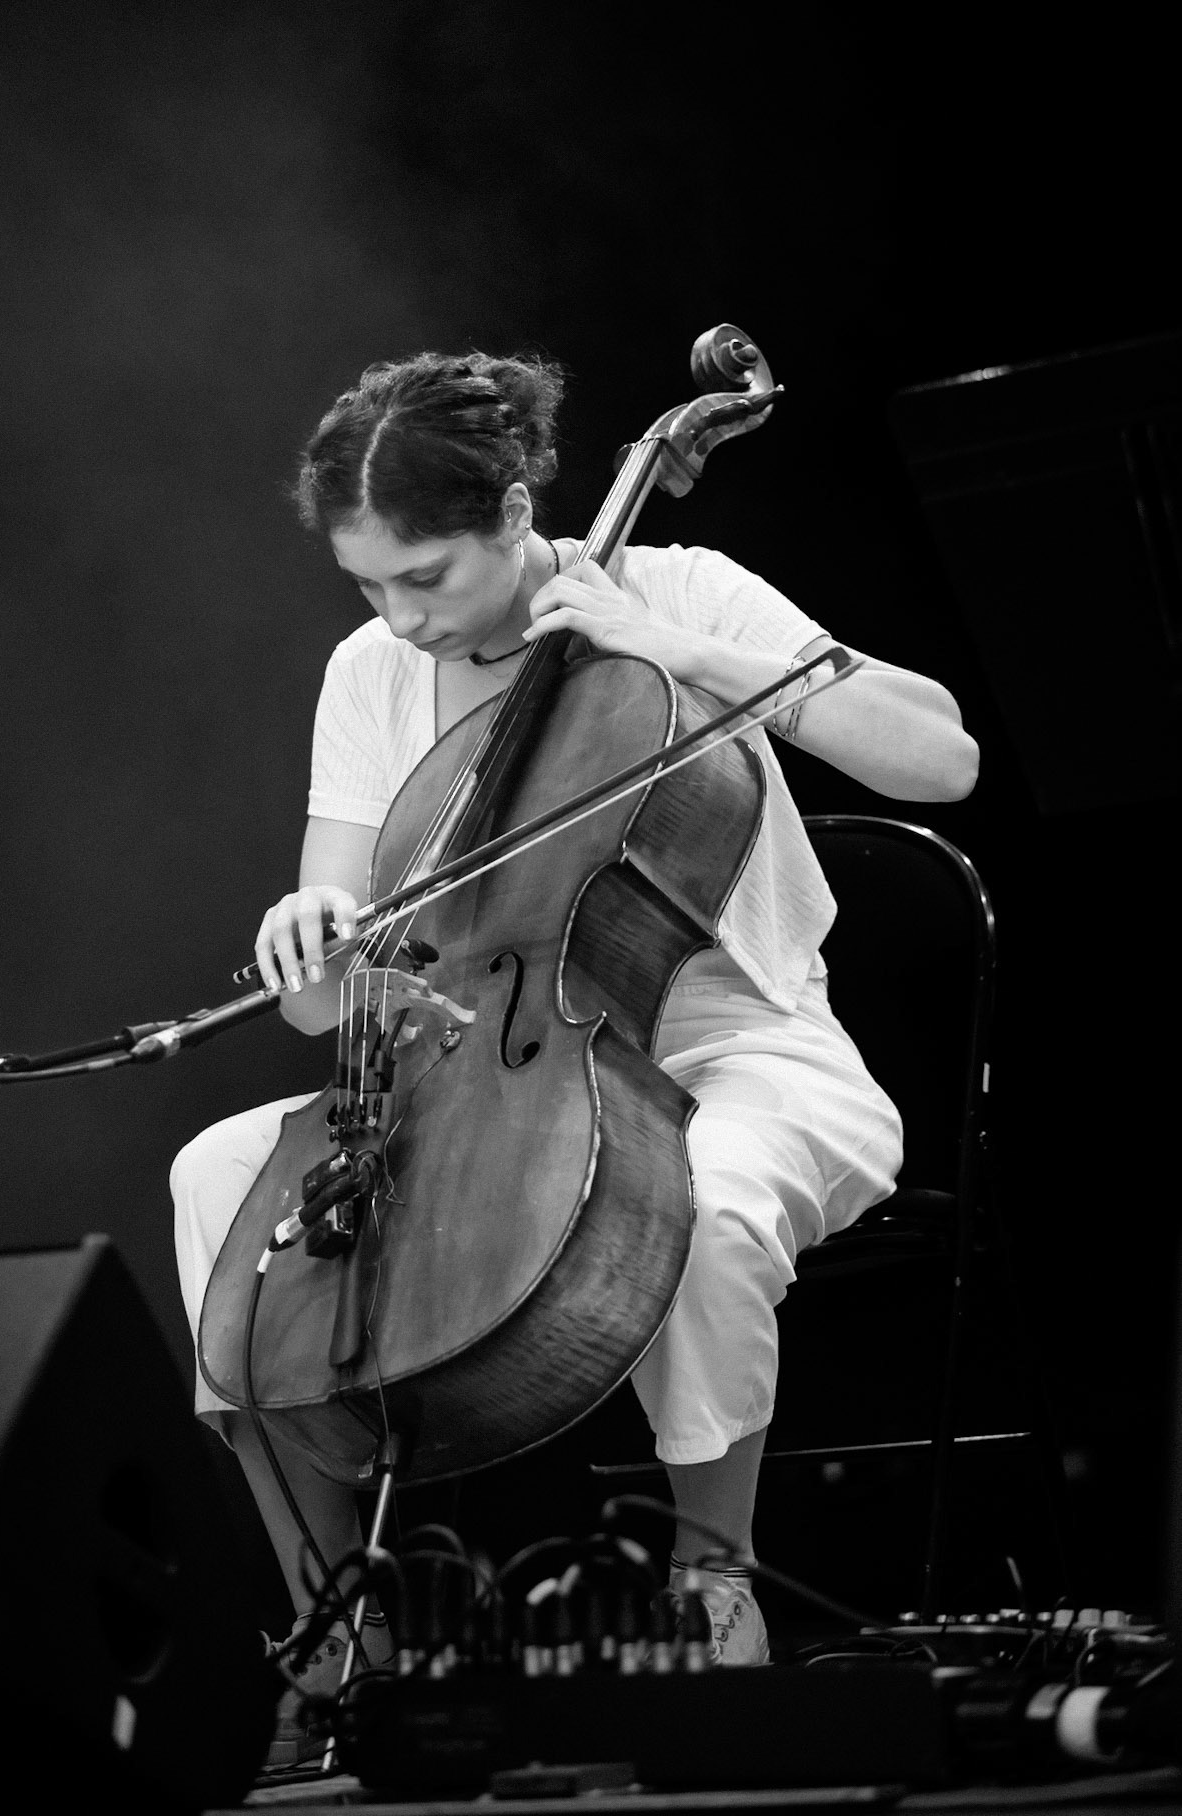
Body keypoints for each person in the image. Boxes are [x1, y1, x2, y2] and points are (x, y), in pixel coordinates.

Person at [170, 347, 979, 1699]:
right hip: (473, 1070)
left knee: (701, 1199)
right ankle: (334, 1644)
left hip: (740, 1050)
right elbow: (330, 1003)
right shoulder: (371, 672)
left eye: (423, 578)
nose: (399, 616)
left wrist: (681, 653)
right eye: (367, 583)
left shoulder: (677, 588)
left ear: (510, 517)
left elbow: (940, 756)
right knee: (213, 1177)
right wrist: (308, 932)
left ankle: (710, 1579)